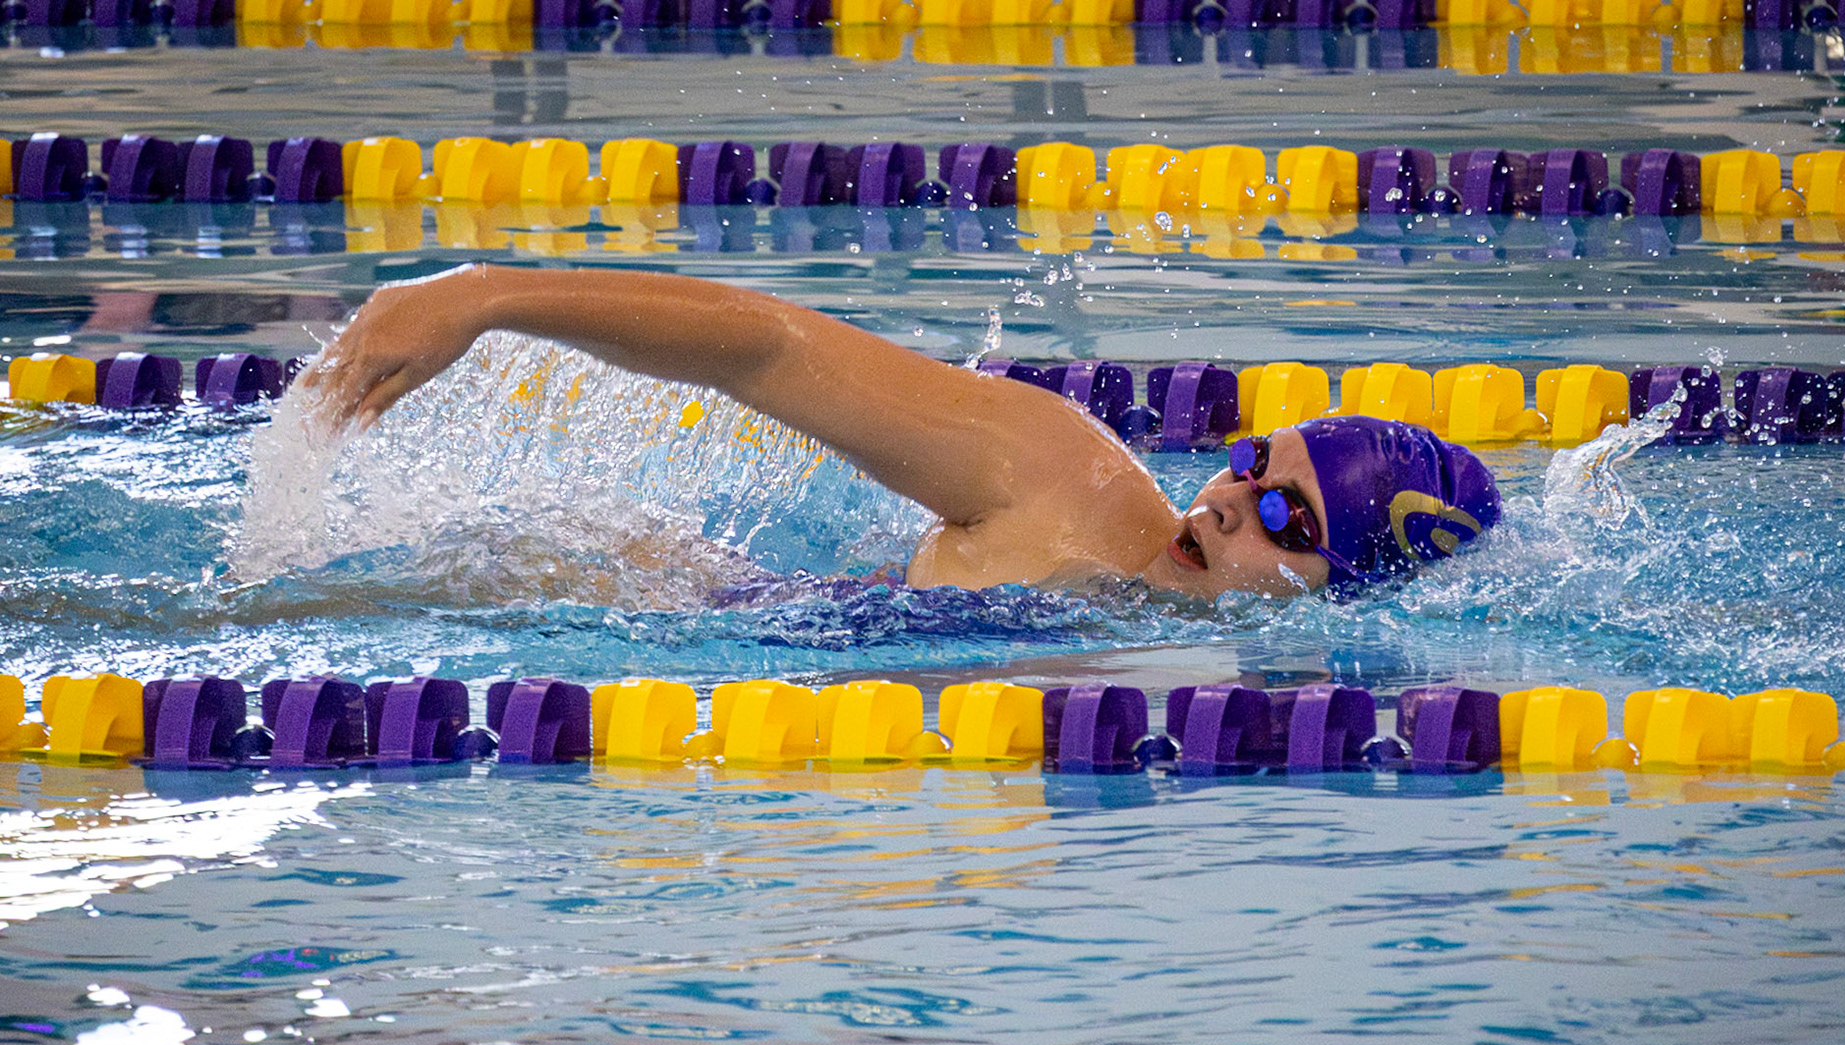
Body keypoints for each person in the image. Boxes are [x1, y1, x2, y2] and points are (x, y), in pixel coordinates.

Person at [305, 263, 1501, 601]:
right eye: (1251, 462)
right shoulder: (1067, 482)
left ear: (1346, 595)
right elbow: (773, 349)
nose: (1231, 499)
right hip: (673, 604)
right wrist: (490, 295)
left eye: (1286, 517)